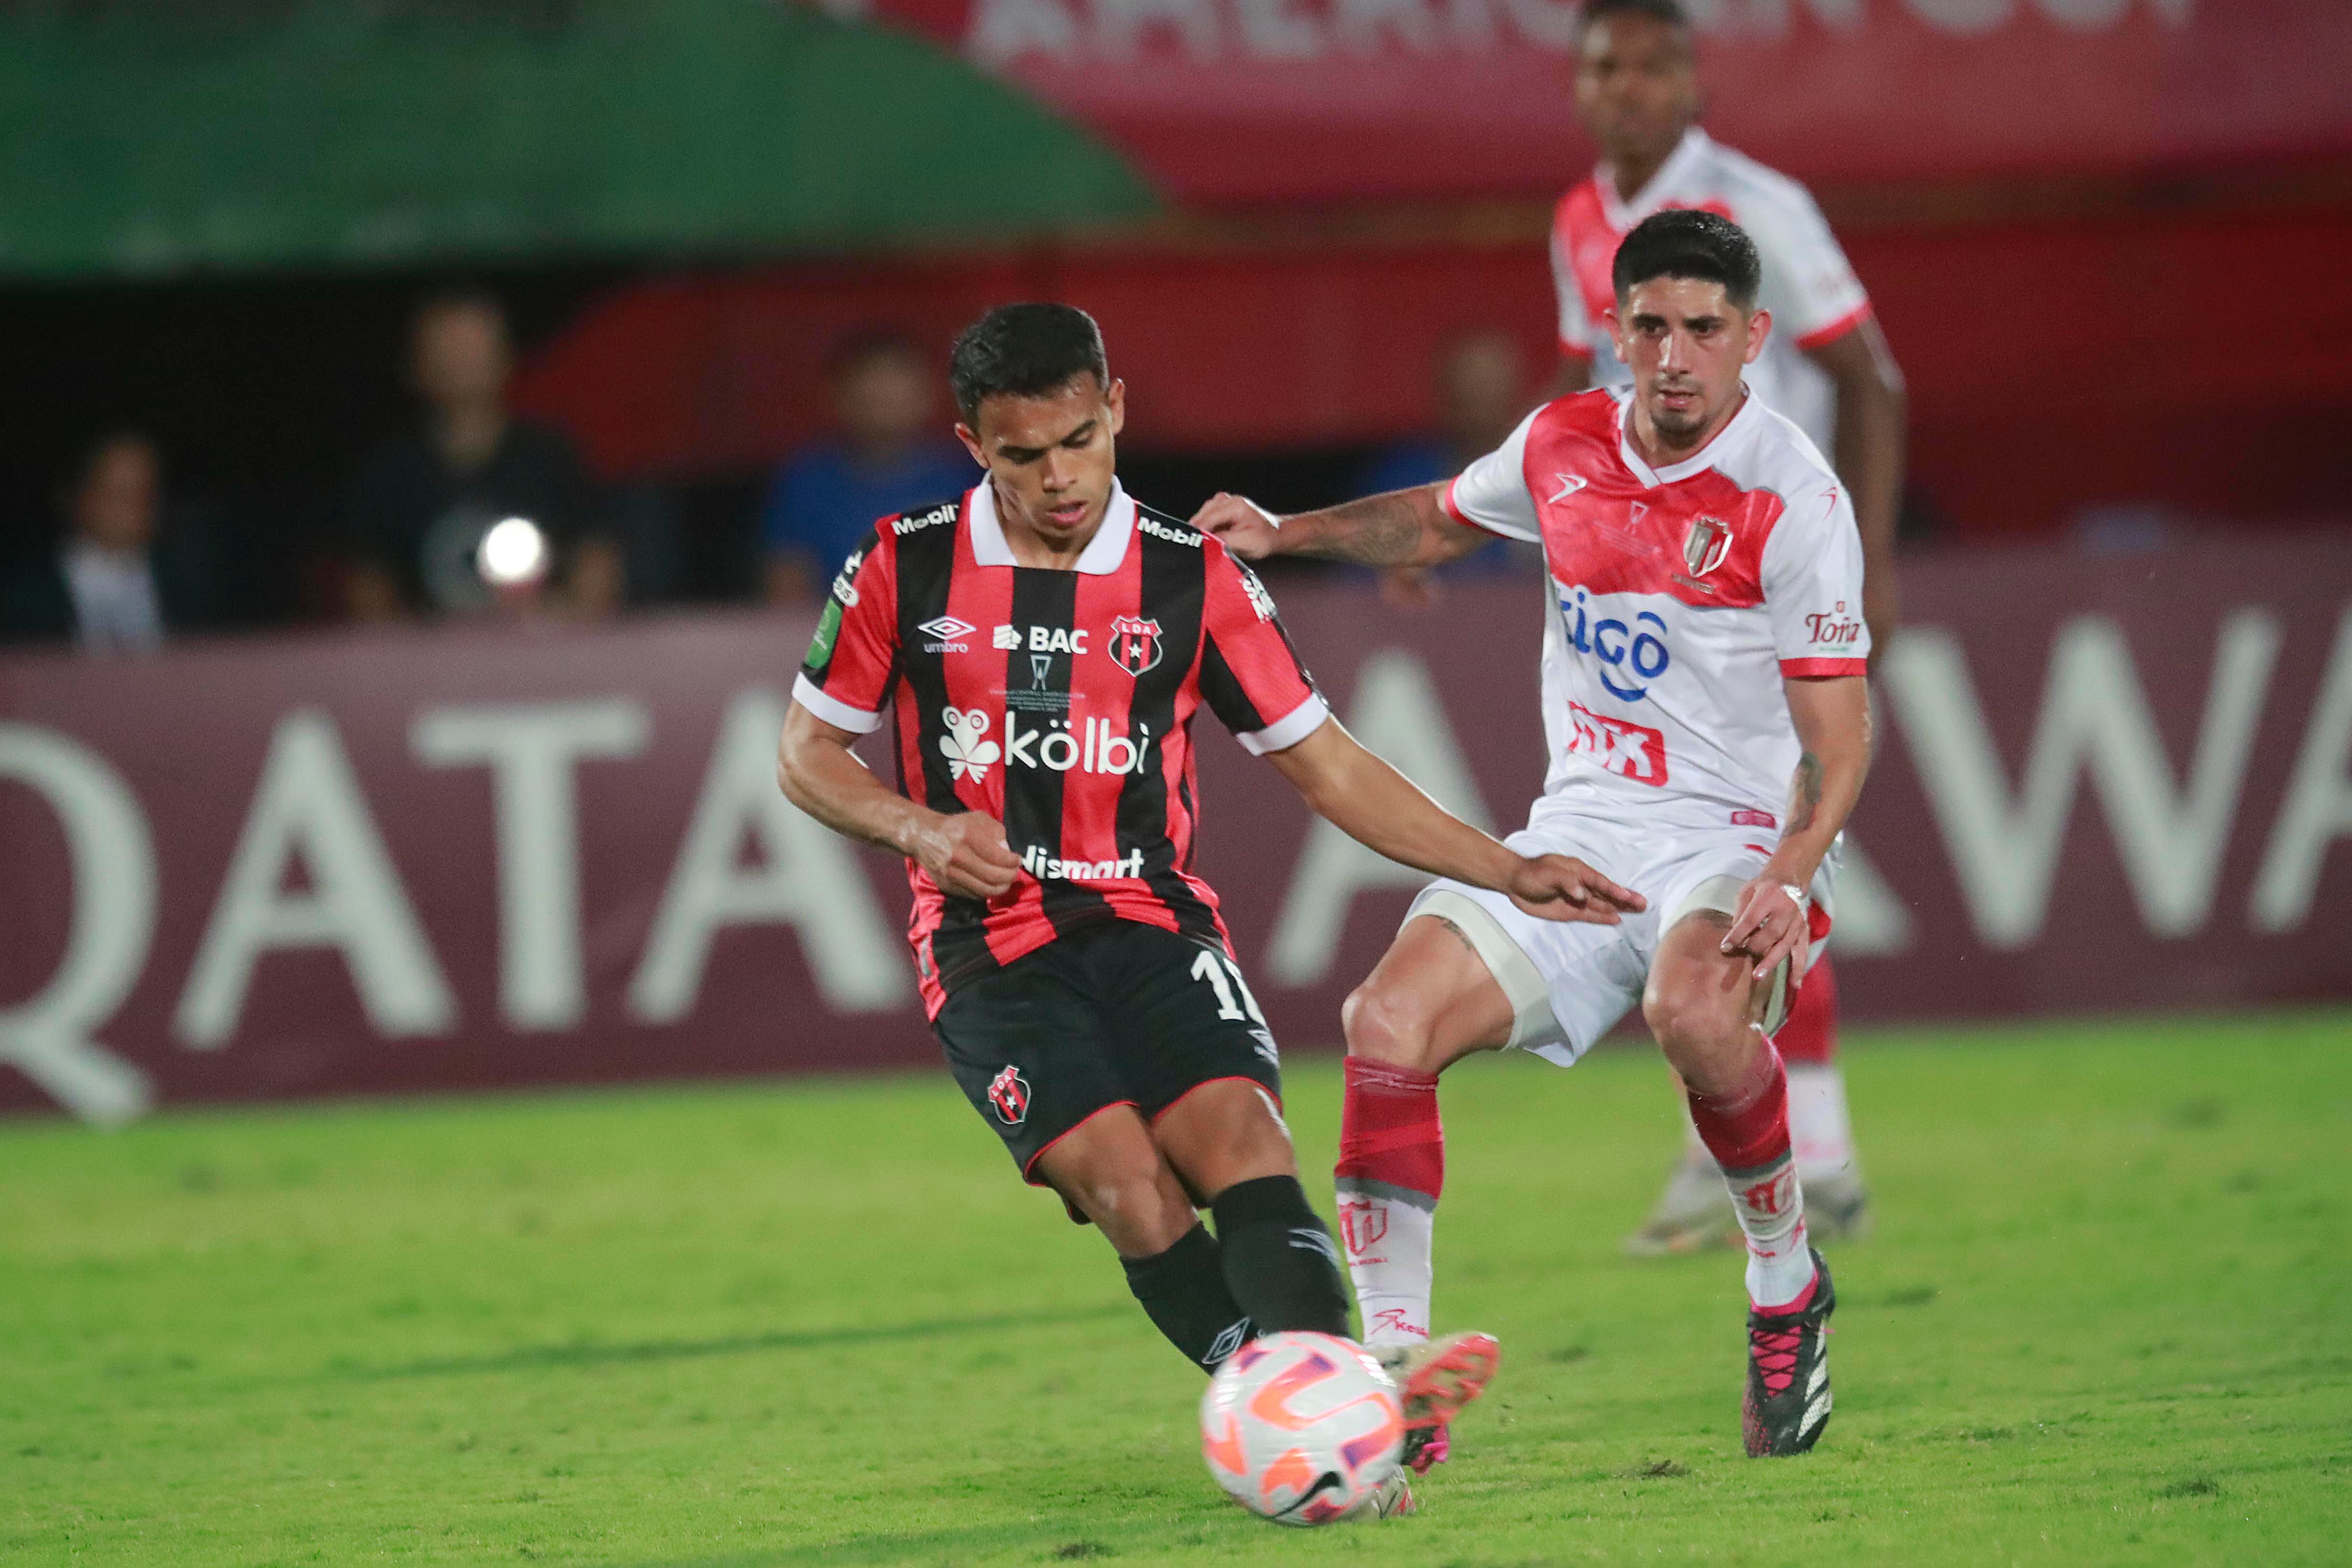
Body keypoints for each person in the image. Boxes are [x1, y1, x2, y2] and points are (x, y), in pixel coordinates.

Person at [777, 304, 1637, 1508]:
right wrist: (919, 827)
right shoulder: (899, 562)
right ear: (972, 443)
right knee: (1128, 1185)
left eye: (1080, 439)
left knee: (1240, 1142)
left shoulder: (1190, 574)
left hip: (1150, 918)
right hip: (987, 949)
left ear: (1115, 407)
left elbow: (1328, 764)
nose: (1060, 477)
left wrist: (1505, 866)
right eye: (1022, 455)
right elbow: (806, 753)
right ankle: (1333, 1414)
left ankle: (1335, 1426)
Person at [1194, 211, 1872, 1459]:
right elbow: (1446, 517)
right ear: (1616, 330)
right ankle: (1393, 1374)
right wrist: (1290, 534)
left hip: (1738, 835)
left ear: (1753, 340)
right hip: (1589, 825)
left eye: (1703, 330)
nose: (1674, 355)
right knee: (1385, 1022)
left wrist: (1789, 868)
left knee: (1696, 1010)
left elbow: (1842, 731)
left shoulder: (1792, 498)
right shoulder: (1564, 440)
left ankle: (1784, 1284)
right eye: (1651, 326)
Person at [1556, 0, 1906, 1250]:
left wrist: (1865, 559)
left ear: (1692, 78)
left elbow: (1870, 377)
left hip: (1768, 572)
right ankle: (1808, 1146)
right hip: (1654, 595)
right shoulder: (1578, 222)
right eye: (1610, 66)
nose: (1631, 87)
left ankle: (1777, 1145)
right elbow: (1584, 407)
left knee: (1753, 847)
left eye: (1655, 65)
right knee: (1717, 851)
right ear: (1581, 83)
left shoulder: (1765, 205)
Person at [343, 291, 622, 621]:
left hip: (541, 661)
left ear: (507, 357)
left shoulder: (551, 460)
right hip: (425, 668)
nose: (460, 362)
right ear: (415, 365)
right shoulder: (390, 473)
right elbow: (367, 596)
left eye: (473, 348)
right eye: (445, 349)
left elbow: (598, 570)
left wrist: (558, 624)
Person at [758, 330, 975, 606]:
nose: (882, 397)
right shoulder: (806, 483)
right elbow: (787, 593)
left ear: (929, 393)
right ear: (837, 397)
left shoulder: (969, 477)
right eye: (869, 384)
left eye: (895, 383)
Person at [1357, 330, 1542, 605]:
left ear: (1516, 391)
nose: (1480, 399)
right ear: (1443, 393)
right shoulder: (1400, 481)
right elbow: (1350, 590)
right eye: (1468, 386)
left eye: (1489, 386)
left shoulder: (1548, 481)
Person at [0, 432, 208, 651]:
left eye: (145, 493)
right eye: (118, 492)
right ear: (80, 496)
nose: (134, 507)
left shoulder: (184, 589)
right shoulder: (25, 597)